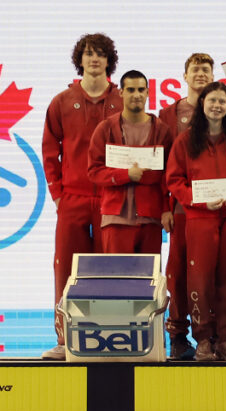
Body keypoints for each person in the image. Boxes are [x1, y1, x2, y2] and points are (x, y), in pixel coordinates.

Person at [166, 82, 226, 361]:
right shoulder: (185, 140)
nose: (217, 106)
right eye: (212, 101)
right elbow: (174, 179)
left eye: (222, 101)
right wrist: (197, 201)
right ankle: (204, 339)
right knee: (200, 279)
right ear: (202, 104)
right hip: (199, 218)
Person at [42, 33, 123, 360]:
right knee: (66, 270)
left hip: (111, 198)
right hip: (73, 199)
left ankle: (110, 337)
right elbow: (50, 152)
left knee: (109, 270)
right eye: (89, 54)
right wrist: (58, 195)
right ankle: (65, 340)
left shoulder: (122, 101)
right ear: (81, 59)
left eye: (101, 54)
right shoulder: (62, 101)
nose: (94, 59)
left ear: (108, 61)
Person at [159, 52, 215, 360]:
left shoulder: (225, 108)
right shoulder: (170, 114)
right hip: (181, 207)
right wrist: (165, 207)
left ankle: (211, 334)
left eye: (206, 69)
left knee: (211, 274)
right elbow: (163, 164)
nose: (201, 74)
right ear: (185, 76)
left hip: (217, 209)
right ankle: (178, 334)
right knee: (178, 272)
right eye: (195, 69)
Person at [87, 70, 174, 255]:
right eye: (131, 90)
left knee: (148, 280)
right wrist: (125, 175)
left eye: (141, 90)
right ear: (121, 93)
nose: (137, 95)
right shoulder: (105, 128)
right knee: (117, 280)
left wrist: (166, 209)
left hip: (150, 218)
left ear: (148, 92)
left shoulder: (162, 131)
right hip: (115, 219)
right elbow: (94, 171)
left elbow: (167, 176)